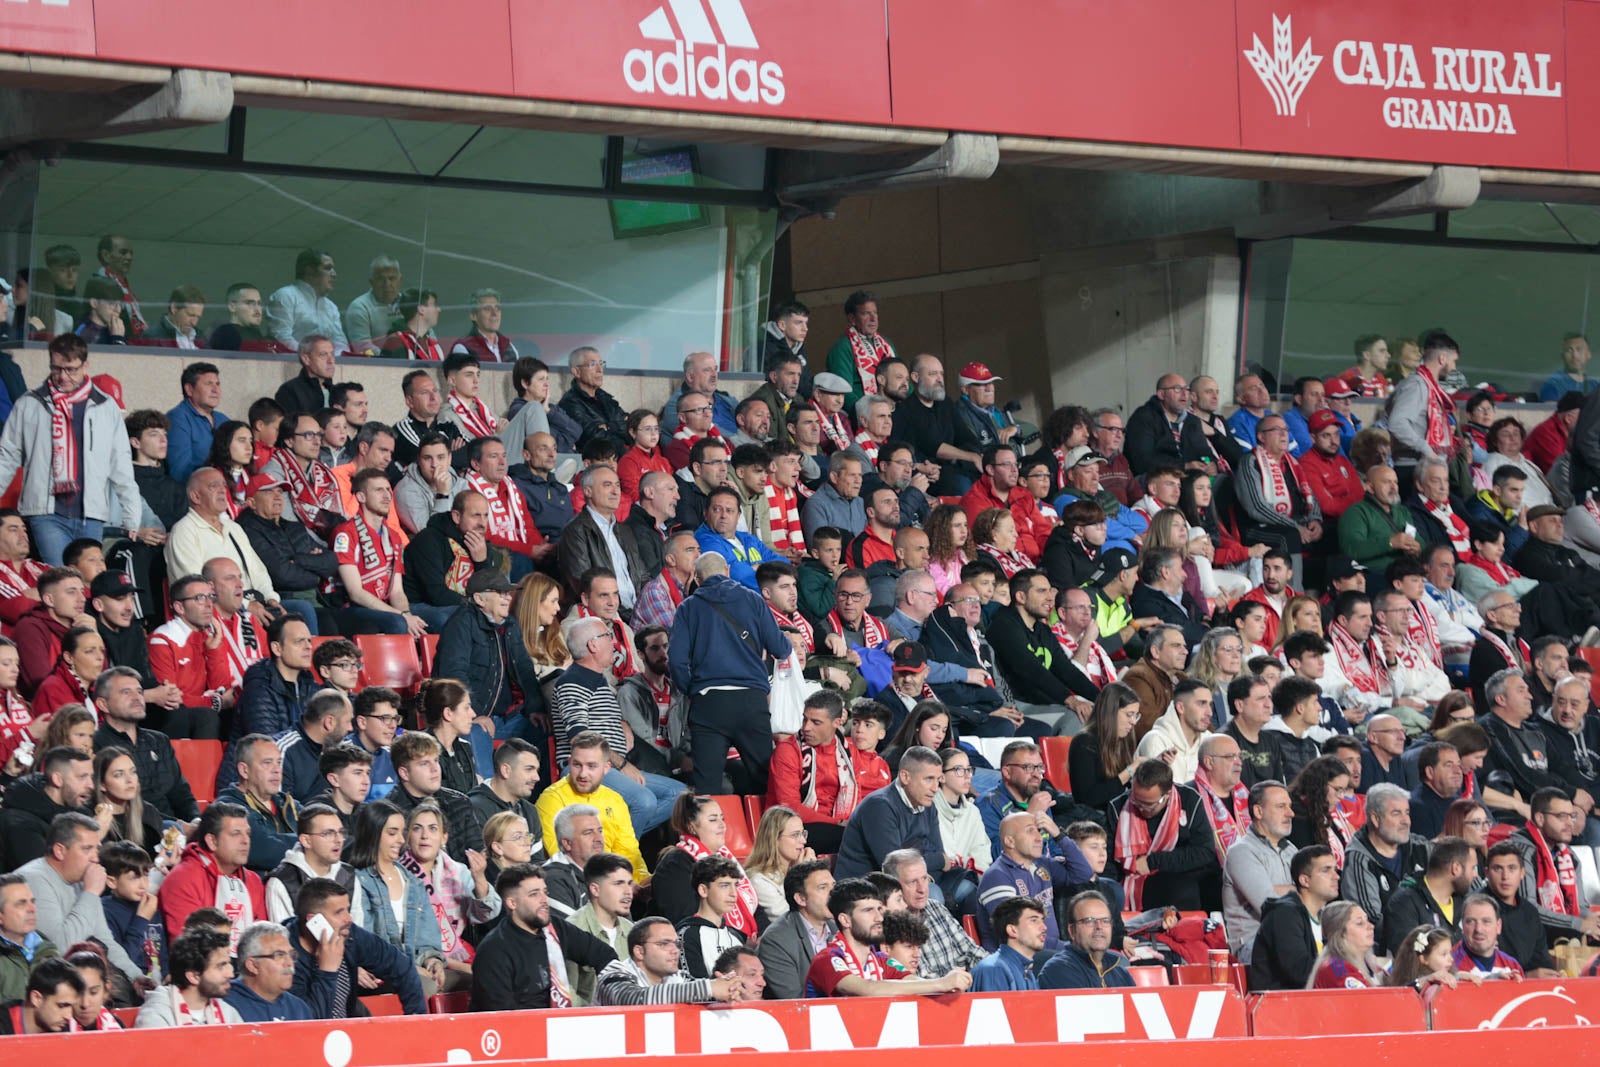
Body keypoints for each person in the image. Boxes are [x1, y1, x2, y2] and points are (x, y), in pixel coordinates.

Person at [0, 335, 141, 566]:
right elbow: (7, 456)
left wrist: (131, 512)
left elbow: (120, 463)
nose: (63, 376)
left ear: (85, 366)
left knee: (87, 582)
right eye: (56, 369)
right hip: (45, 512)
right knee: (63, 580)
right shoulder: (30, 403)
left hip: (91, 514)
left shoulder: (105, 406)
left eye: (70, 369)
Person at [469, 862, 616, 1011]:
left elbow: (604, 954)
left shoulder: (556, 928)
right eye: (534, 894)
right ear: (512, 903)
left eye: (545, 892)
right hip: (521, 1028)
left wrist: (617, 989)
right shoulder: (494, 951)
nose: (544, 900)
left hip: (561, 1023)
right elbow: (500, 1016)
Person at [284, 876, 427, 1017]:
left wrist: (417, 1019)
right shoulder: (284, 958)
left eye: (348, 909)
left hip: (349, 1028)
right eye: (339, 912)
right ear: (314, 920)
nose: (349, 918)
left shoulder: (349, 935)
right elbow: (309, 1022)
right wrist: (327, 971)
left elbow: (402, 966)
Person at [803, 878, 969, 998]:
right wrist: (941, 983)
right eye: (868, 911)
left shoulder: (882, 960)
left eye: (880, 910)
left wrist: (947, 986)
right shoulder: (828, 960)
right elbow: (867, 989)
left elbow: (913, 982)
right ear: (845, 920)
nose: (879, 918)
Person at [1108, 758, 1220, 912]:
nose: (1140, 808)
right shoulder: (1118, 807)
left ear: (1167, 795)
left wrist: (1153, 861)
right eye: (1136, 801)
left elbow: (1205, 851)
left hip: (1181, 871)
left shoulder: (1189, 800)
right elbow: (1110, 862)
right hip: (1136, 878)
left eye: (1148, 805)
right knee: (1182, 891)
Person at [535, 734, 648, 883]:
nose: (583, 774)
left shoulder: (615, 800)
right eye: (577, 765)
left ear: (606, 768)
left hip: (612, 885)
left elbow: (628, 852)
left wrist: (643, 881)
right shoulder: (552, 799)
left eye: (591, 766)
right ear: (569, 763)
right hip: (573, 885)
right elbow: (560, 856)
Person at [159, 800, 270, 948]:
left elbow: (262, 941)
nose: (245, 841)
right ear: (212, 841)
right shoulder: (183, 879)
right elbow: (188, 951)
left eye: (247, 834)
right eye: (235, 834)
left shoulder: (252, 880)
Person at [652, 795, 760, 940]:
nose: (722, 825)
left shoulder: (725, 858)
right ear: (691, 826)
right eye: (713, 819)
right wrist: (737, 939)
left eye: (722, 818)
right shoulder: (676, 864)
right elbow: (684, 919)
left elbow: (752, 907)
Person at [1234, 414, 1323, 585]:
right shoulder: (1250, 462)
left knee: (1331, 533)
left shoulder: (1292, 463)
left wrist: (1315, 520)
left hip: (1294, 523)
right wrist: (1296, 527)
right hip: (1257, 527)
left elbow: (1310, 494)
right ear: (1261, 437)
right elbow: (1257, 508)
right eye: (1276, 430)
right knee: (1290, 536)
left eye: (1286, 430)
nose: (1284, 434)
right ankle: (1295, 597)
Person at [1508, 786, 1600, 940]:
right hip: (1526, 938)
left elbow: (1580, 906)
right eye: (1562, 816)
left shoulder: (1570, 856)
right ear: (1540, 818)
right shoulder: (1520, 852)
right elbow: (1527, 910)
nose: (1570, 823)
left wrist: (1594, 922)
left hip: (1563, 935)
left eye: (1572, 816)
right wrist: (1578, 924)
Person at [593, 915, 746, 1006]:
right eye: (664, 944)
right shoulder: (614, 973)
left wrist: (727, 990)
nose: (675, 950)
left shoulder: (677, 977)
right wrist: (709, 988)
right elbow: (633, 999)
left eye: (677, 944)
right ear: (639, 951)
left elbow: (697, 991)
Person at [0, 745, 93, 870]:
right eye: (82, 777)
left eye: (91, 777)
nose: (91, 785)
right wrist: (91, 836)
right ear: (58, 779)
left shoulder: (81, 812)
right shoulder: (18, 823)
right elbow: (45, 876)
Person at [1382, 835, 1478, 954]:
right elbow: (1409, 958)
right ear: (1456, 868)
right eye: (1473, 868)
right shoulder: (1404, 903)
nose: (1475, 875)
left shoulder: (1466, 902)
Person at [265, 804, 355, 924]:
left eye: (340, 832)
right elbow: (283, 937)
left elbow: (357, 932)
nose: (338, 840)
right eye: (328, 834)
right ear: (306, 841)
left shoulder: (348, 875)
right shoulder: (282, 882)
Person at [1483, 841, 1560, 977]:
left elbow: (1542, 961)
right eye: (1498, 869)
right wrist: (1528, 976)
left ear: (1522, 873)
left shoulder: (1530, 912)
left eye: (1512, 868)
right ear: (1487, 873)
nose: (1505, 876)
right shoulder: (1477, 909)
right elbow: (1477, 967)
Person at [1037, 890, 1134, 990]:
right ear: (1072, 931)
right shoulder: (1058, 970)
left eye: (1105, 921)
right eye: (1089, 921)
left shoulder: (1121, 973)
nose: (1099, 926)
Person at [222, 920, 314, 1022]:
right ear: (253, 965)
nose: (290, 963)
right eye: (279, 955)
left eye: (291, 955)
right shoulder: (224, 1005)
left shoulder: (298, 1008)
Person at [824, 292, 896, 410]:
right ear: (852, 318)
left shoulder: (887, 344)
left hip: (893, 410)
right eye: (866, 314)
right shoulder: (842, 348)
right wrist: (869, 412)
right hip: (864, 416)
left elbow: (902, 380)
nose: (873, 318)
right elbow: (843, 392)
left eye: (875, 312)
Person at [1134, 678, 1213, 785]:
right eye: (1202, 704)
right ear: (1181, 708)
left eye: (1210, 704)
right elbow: (1157, 794)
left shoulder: (1209, 741)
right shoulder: (1156, 740)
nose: (1210, 712)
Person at [266, 251, 347, 352]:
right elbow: (281, 338)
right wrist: (313, 356)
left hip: (327, 364)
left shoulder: (331, 307)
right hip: (291, 364)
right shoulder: (285, 296)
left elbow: (340, 343)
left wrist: (330, 359)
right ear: (310, 271)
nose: (334, 274)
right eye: (327, 268)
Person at [1122, 623, 1190, 740]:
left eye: (1184, 646)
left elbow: (1202, 718)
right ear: (1155, 652)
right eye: (1176, 646)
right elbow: (1146, 727)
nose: (1185, 652)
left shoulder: (1182, 679)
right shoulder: (1138, 677)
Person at [166, 361, 229, 484]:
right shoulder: (178, 418)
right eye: (209, 384)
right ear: (189, 389)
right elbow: (180, 472)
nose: (216, 390)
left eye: (217, 384)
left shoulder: (223, 419)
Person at [558, 346, 629, 453]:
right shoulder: (570, 403)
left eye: (601, 364)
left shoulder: (605, 397)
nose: (600, 370)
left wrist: (608, 427)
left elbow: (629, 426)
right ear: (577, 371)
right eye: (592, 364)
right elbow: (594, 437)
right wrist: (619, 432)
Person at [1307, 900, 1384, 989]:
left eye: (1367, 920)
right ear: (1341, 933)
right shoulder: (1337, 969)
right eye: (1360, 923)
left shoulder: (1373, 966)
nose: (1371, 926)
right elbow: (1368, 1001)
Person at [0, 956, 83, 1034]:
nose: (68, 1016)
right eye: (62, 1005)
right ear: (36, 998)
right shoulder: (3, 1023)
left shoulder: (69, 1029)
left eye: (72, 1007)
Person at [1451, 893, 1526, 977]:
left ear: (1498, 926)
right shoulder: (1449, 965)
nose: (1478, 929)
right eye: (1471, 921)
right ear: (1462, 926)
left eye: (1486, 921)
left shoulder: (1512, 966)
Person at [1410, 742, 1467, 839]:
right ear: (1430, 772)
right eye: (1449, 765)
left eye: (1458, 765)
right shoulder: (1417, 807)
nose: (1458, 771)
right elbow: (1427, 850)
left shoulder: (1457, 801)